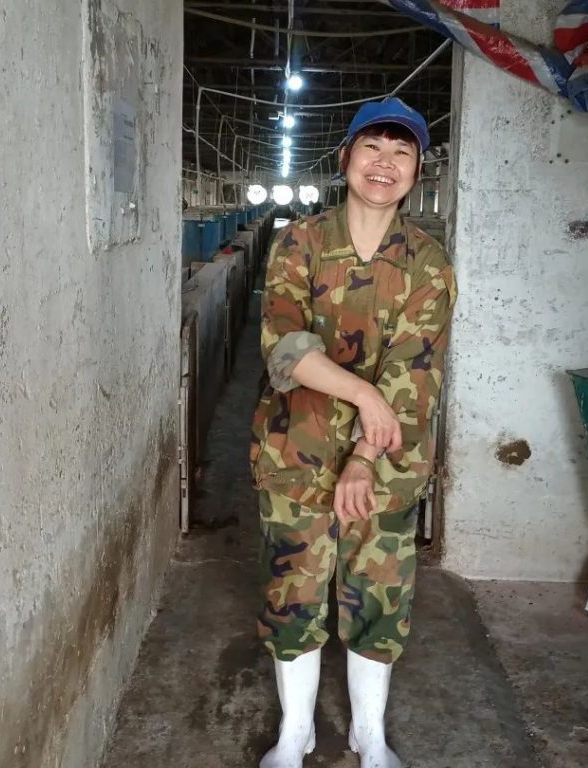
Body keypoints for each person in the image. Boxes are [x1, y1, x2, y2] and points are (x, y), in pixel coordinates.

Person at [251, 98, 457, 768]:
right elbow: (286, 348)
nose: (384, 163)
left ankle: (370, 733)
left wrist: (365, 454)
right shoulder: (300, 243)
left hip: (386, 460)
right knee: (294, 589)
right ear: (345, 158)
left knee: (379, 592)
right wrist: (362, 393)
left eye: (401, 152)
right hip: (297, 449)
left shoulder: (427, 262)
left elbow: (415, 371)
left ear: (417, 170)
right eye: (372, 146)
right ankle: (296, 733)